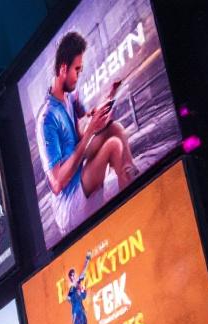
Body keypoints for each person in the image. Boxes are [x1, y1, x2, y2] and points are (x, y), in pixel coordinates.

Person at [35, 31, 137, 240]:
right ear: (63, 68)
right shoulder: (46, 119)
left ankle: (131, 181)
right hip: (68, 204)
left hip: (80, 172)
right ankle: (131, 215)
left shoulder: (70, 96)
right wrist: (91, 130)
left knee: (115, 129)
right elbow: (56, 184)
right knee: (113, 146)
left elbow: (87, 121)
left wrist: (108, 99)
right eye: (77, 70)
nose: (79, 75)